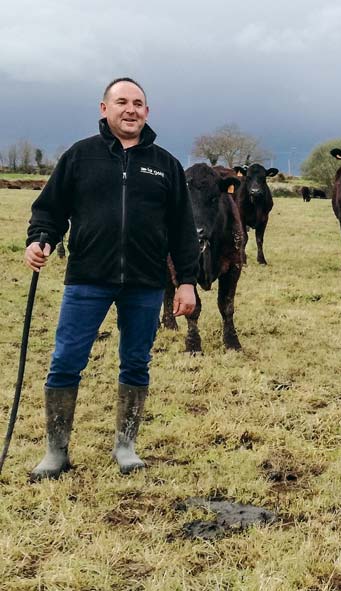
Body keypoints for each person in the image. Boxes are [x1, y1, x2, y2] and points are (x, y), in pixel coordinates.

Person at [24, 77, 199, 480]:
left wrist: (186, 280)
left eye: (138, 103)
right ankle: (56, 451)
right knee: (66, 362)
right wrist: (40, 240)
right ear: (104, 108)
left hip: (145, 281)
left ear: (147, 112)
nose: (131, 109)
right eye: (122, 102)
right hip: (87, 278)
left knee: (135, 362)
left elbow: (182, 230)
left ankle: (126, 445)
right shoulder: (80, 157)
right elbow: (49, 210)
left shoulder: (166, 164)